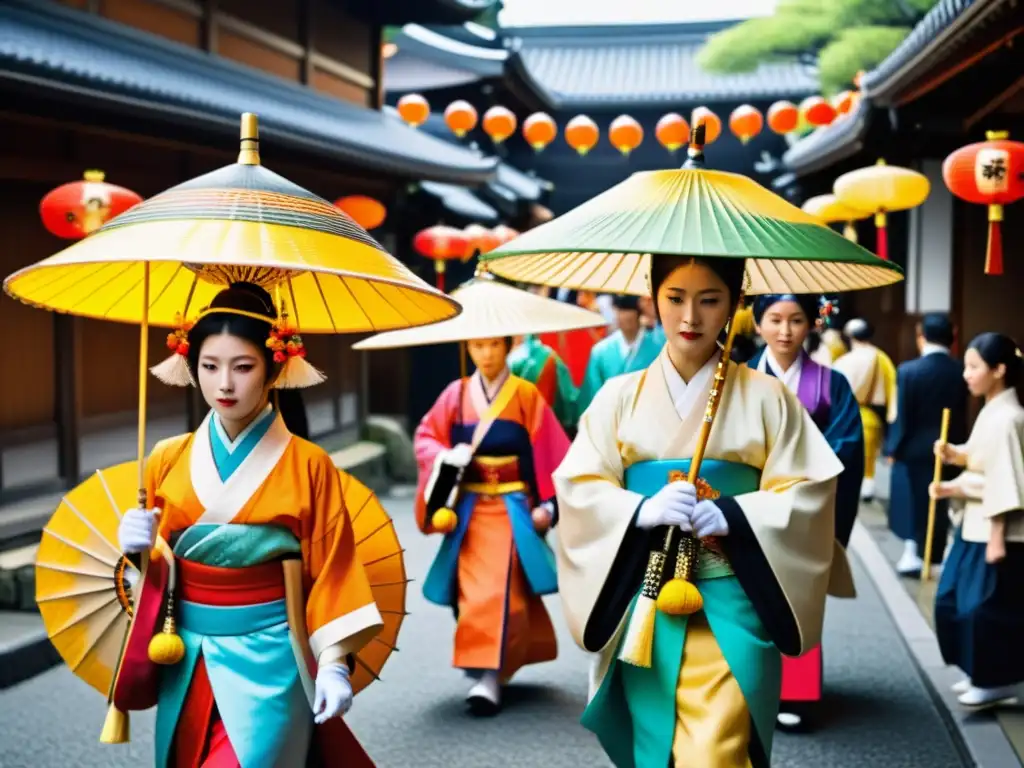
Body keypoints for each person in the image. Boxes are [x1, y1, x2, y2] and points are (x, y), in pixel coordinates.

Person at [554, 256, 851, 768]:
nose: (690, 316)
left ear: (735, 305)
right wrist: (639, 511)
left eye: (709, 300)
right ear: (653, 299)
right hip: (644, 604)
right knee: (655, 750)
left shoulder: (768, 397)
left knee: (718, 750)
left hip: (733, 598)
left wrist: (736, 517)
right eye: (675, 298)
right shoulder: (616, 397)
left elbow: (810, 489)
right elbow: (579, 486)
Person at [116, 282, 382, 766]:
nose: (224, 385)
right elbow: (155, 573)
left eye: (243, 367)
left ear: (274, 368)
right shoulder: (166, 459)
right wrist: (138, 553)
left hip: (274, 657)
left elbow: (332, 569)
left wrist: (332, 664)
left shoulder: (309, 464)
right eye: (209, 367)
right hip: (186, 652)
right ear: (191, 366)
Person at [413, 335, 571, 714]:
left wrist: (548, 506)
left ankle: (490, 674)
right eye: (478, 346)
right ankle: (488, 671)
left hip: (512, 508)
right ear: (467, 350)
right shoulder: (455, 393)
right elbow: (425, 437)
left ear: (506, 347)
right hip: (468, 509)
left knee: (506, 596)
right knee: (471, 595)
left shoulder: (525, 396)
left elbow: (552, 452)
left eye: (493, 346)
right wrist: (448, 456)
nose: (486, 354)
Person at [748, 293, 864, 729]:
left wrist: (800, 471)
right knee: (745, 597)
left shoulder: (831, 384)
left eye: (796, 320)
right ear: (758, 323)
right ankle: (745, 684)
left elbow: (848, 444)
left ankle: (795, 692)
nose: (784, 330)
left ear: (811, 324)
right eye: (774, 319)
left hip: (805, 508)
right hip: (750, 505)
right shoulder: (736, 379)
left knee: (798, 598)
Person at [932, 332, 1024, 709]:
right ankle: (977, 671)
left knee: (984, 608)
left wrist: (998, 537)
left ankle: (995, 680)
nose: (966, 375)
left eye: (974, 367)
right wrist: (954, 454)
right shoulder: (994, 410)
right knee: (952, 600)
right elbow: (981, 457)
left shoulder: (1008, 418)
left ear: (999, 370)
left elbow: (1006, 480)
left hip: (994, 530)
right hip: (975, 527)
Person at [885, 314, 968, 576]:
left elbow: (903, 416)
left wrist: (893, 447)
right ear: (952, 337)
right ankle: (939, 555)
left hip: (914, 447)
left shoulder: (908, 371)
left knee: (913, 502)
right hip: (949, 447)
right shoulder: (961, 371)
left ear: (921, 337)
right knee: (942, 500)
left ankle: (913, 555)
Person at [834, 318, 897, 500]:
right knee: (868, 461)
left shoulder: (843, 361)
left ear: (850, 336)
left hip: (845, 417)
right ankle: (866, 489)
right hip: (871, 417)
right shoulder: (881, 358)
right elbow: (893, 390)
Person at [578, 295, 664, 413]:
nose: (625, 317)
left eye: (629, 312)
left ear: (639, 314)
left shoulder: (660, 346)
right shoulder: (601, 352)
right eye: (620, 311)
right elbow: (592, 396)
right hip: (610, 418)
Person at [508, 333, 580, 434]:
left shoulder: (511, 360)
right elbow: (567, 396)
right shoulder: (550, 356)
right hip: (549, 424)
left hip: (517, 427)